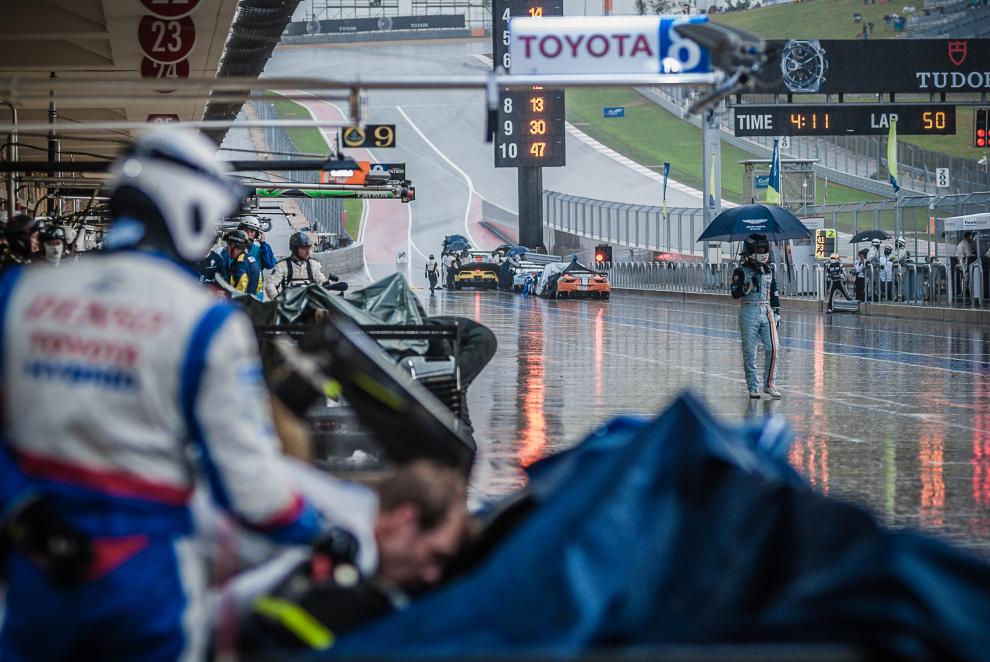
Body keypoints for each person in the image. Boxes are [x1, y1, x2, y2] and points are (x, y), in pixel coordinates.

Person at [0, 128, 326, 659]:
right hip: (144, 573)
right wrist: (321, 532)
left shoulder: (19, 292)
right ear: (194, 208)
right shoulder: (207, 321)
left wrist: (21, 506)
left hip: (37, 562)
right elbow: (249, 487)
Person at [730, 234, 781, 400]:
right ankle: (753, 386)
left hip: (766, 310)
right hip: (749, 311)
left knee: (773, 348)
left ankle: (769, 383)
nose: (762, 252)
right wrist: (748, 285)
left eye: (764, 249)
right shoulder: (741, 270)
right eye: (759, 249)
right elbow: (735, 293)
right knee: (750, 352)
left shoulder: (768, 269)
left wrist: (777, 311)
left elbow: (774, 291)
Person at [266, 232, 336, 299]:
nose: (308, 251)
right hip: (290, 305)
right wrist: (278, 300)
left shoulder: (314, 264)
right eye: (303, 248)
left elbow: (322, 283)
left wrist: (327, 285)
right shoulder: (282, 266)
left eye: (309, 248)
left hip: (310, 305)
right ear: (294, 249)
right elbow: (270, 285)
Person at [226, 228, 263, 300]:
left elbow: (241, 283)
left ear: (233, 245)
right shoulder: (251, 258)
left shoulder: (240, 263)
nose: (227, 248)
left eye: (228, 244)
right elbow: (259, 283)